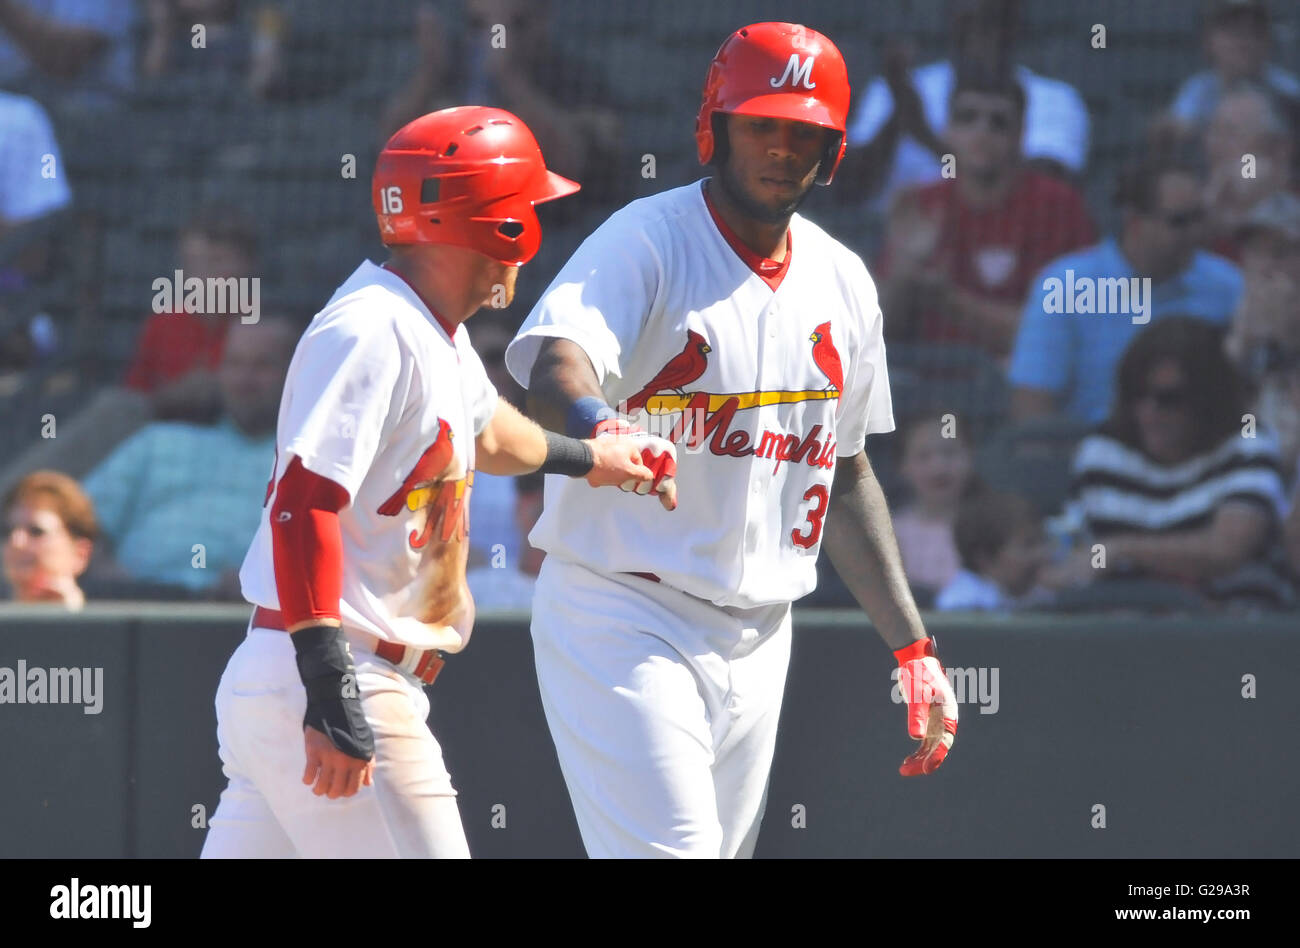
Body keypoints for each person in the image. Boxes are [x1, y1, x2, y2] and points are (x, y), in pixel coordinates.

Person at [505, 23, 960, 859]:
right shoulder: (647, 237)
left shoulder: (845, 281)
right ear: (714, 127)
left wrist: (913, 645)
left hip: (761, 630)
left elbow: (846, 472)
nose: (782, 148)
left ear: (833, 151)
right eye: (762, 124)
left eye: (804, 132)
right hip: (623, 609)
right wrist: (599, 423)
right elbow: (555, 367)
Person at [201, 106, 665, 859]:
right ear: (496, 221)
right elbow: (300, 507)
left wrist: (595, 457)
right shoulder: (372, 329)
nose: (532, 225)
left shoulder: (427, 329)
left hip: (299, 674)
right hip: (338, 668)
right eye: (525, 205)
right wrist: (330, 691)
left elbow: (492, 434)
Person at [1045, 317, 1294, 610]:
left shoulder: (1247, 446)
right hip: (1118, 632)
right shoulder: (1101, 452)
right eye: (1139, 395)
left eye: (1169, 399)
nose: (1149, 412)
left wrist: (1120, 550)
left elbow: (1227, 550)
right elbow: (1078, 554)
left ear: (1207, 400)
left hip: (1231, 632)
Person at [1009, 146, 1243, 425]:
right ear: (1134, 222)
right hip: (1090, 457)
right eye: (1179, 222)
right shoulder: (1064, 288)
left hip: (1203, 458)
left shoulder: (1226, 285)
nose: (1195, 233)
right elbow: (1033, 409)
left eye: (1199, 218)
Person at [875, 68, 1096, 359]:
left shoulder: (1058, 206)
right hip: (930, 380)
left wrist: (948, 300)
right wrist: (906, 268)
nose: (982, 132)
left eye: (999, 122)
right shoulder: (921, 204)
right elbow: (876, 333)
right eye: (967, 118)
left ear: (1021, 135)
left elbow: (1058, 331)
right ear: (948, 131)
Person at [81, 317, 295, 597]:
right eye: (235, 363)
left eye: (262, 365)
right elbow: (73, 518)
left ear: (294, 374)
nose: (245, 379)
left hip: (245, 622)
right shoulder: (157, 443)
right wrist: (103, 570)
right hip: (134, 605)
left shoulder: (302, 464)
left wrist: (269, 581)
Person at [837, 0, 1089, 213]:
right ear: (951, 20)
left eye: (990, 21)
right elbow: (849, 190)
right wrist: (896, 120)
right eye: (967, 22)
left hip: (1021, 248)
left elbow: (1049, 192)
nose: (978, 34)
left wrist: (923, 134)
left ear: (1014, 24)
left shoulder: (1055, 99)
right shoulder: (896, 89)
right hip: (904, 245)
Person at [1168, 0, 1300, 133]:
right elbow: (1179, 128)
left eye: (1253, 31)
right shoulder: (1197, 90)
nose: (1243, 42)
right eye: (1233, 32)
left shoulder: (1289, 91)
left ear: (1268, 40)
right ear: (1208, 41)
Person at [934, 490, 1047, 611]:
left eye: (1042, 542)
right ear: (985, 558)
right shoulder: (960, 604)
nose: (1042, 554)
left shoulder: (1037, 592)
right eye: (1028, 545)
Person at [1, 468, 95, 608]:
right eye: (6, 531)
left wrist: (72, 617)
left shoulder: (115, 628)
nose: (16, 543)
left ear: (81, 554)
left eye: (36, 531)